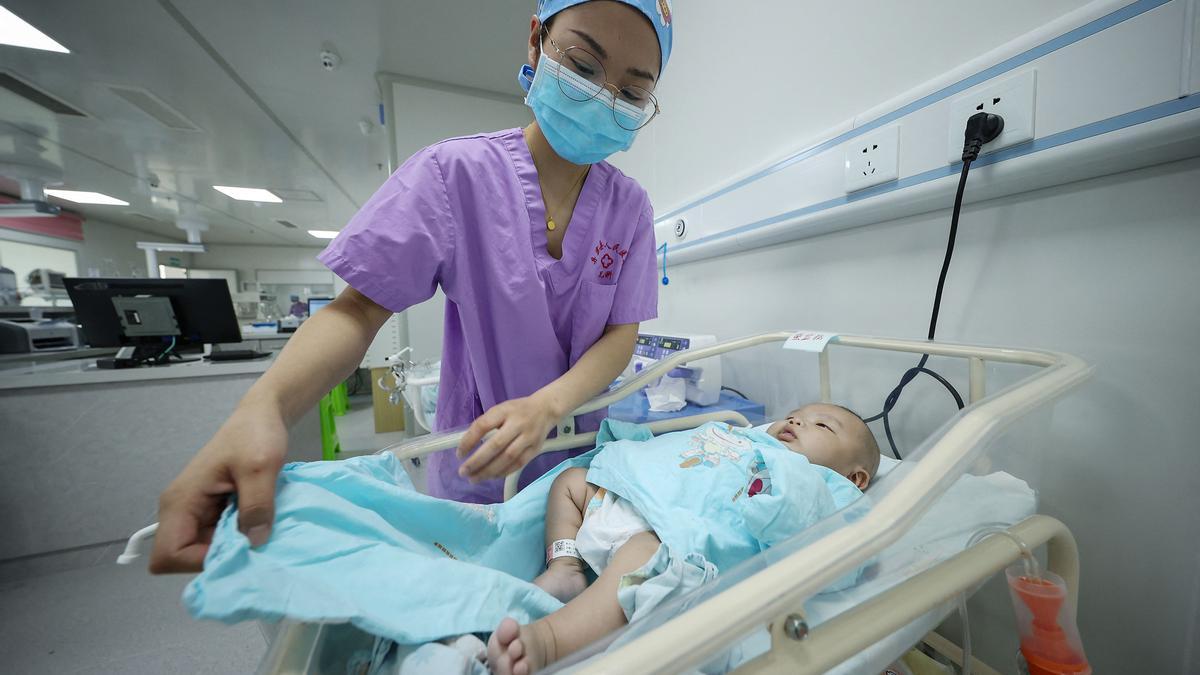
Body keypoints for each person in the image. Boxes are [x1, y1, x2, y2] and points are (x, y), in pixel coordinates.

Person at [150, 0, 673, 573]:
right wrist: (265, 407)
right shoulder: (454, 175)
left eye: (629, 93)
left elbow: (622, 336)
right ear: (535, 43)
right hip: (483, 468)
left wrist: (546, 406)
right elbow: (356, 310)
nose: (602, 98)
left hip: (583, 475)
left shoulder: (629, 208)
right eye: (582, 65)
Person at [489, 404, 881, 674]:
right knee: (572, 483)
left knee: (641, 559)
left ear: (856, 476)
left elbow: (845, 551)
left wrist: (787, 504)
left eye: (822, 425)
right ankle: (566, 564)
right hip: (631, 500)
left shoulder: (833, 489)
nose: (796, 421)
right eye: (795, 415)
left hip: (668, 537)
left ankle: (550, 642)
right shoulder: (749, 438)